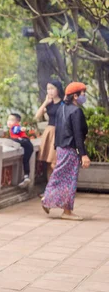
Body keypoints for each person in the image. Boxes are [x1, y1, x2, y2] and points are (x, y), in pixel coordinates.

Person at [42, 82, 90, 221]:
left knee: (60, 175)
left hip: (62, 148)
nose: (84, 96)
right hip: (70, 150)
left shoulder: (61, 109)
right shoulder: (76, 111)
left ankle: (50, 199)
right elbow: (78, 134)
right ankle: (64, 210)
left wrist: (56, 147)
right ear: (75, 96)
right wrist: (83, 154)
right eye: (82, 93)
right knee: (69, 181)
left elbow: (58, 131)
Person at [35, 80, 64, 181]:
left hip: (59, 133)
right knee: (48, 163)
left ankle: (56, 190)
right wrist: (45, 102)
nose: (50, 91)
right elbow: (37, 116)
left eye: (52, 88)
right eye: (48, 89)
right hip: (49, 132)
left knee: (54, 163)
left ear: (58, 89)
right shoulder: (49, 104)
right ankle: (49, 191)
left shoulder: (63, 104)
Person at [7, 113, 34, 188]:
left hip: (25, 142)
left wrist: (21, 129)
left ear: (17, 122)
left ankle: (26, 176)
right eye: (8, 119)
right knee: (25, 161)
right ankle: (26, 176)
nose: (9, 122)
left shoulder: (15, 127)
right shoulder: (13, 127)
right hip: (28, 146)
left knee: (12, 140)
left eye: (12, 120)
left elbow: (16, 130)